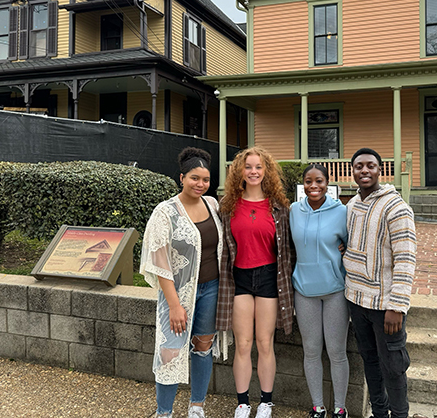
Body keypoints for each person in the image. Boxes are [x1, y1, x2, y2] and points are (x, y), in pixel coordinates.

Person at [140, 147, 227, 418]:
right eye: (194, 178)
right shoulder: (165, 212)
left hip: (212, 288)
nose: (200, 184)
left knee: (203, 345)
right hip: (177, 294)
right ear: (181, 177)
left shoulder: (213, 205)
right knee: (170, 350)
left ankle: (197, 405)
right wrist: (175, 305)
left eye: (205, 179)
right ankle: (164, 411)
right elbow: (159, 261)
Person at [216, 147, 294, 418]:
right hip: (240, 279)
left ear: (266, 171)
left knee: (264, 342)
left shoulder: (279, 207)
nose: (253, 171)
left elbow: (294, 248)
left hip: (270, 278)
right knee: (244, 343)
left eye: (258, 167)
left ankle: (266, 403)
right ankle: (242, 403)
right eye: (248, 167)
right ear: (240, 171)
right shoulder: (226, 206)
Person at [343, 148, 417, 418]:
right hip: (356, 300)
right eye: (359, 166)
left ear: (380, 170)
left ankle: (399, 414)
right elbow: (353, 243)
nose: (364, 170)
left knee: (393, 366)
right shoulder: (351, 205)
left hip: (385, 306)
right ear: (352, 171)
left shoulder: (396, 208)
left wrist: (397, 305)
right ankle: (379, 412)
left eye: (370, 166)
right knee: (370, 362)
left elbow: (406, 258)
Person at [289, 164, 350, 418]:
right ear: (303, 184)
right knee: (311, 351)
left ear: (328, 183)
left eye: (319, 181)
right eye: (308, 181)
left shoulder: (342, 211)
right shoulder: (294, 210)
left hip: (335, 290)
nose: (314, 186)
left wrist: (344, 249)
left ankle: (340, 407)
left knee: (337, 352)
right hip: (304, 291)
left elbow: (352, 244)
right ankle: (318, 407)